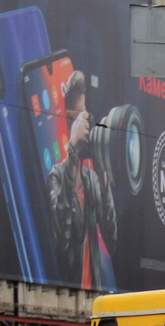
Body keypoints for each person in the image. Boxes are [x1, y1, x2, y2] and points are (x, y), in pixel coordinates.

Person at [48, 70, 118, 291]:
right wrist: (73, 153)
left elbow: (111, 238)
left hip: (94, 294)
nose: (84, 122)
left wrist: (102, 168)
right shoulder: (58, 175)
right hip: (65, 294)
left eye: (86, 115)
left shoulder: (92, 180)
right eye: (77, 116)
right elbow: (61, 242)